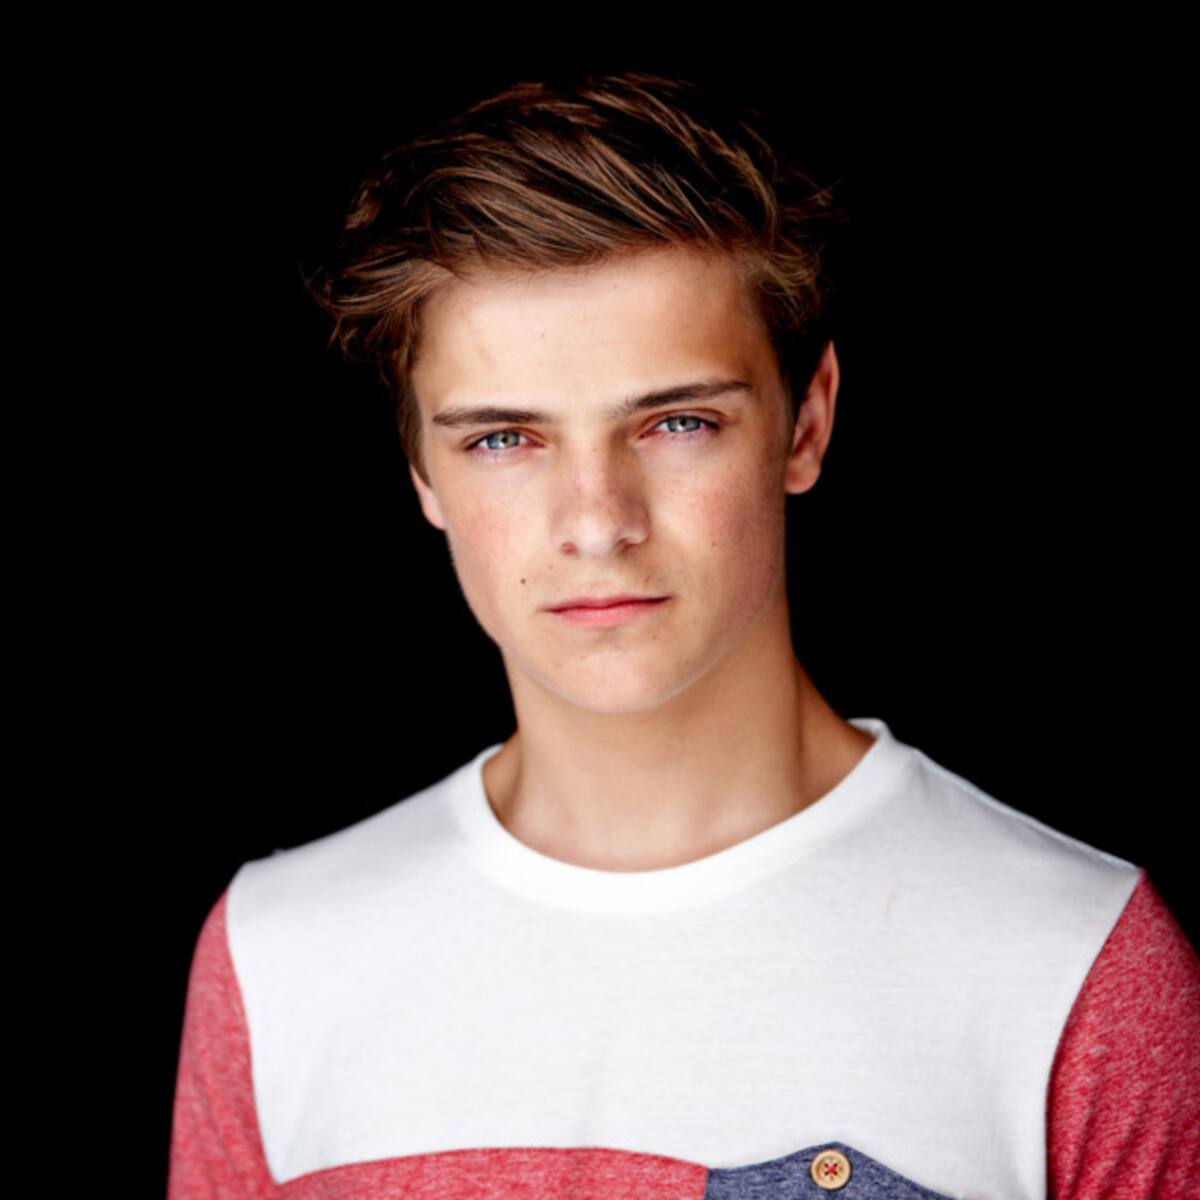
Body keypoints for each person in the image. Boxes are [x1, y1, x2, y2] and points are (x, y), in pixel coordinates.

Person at [167, 70, 1199, 1199]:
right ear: (421, 467)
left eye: (676, 423)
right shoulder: (276, 958)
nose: (596, 523)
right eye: (504, 440)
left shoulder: (1069, 964)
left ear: (806, 422)